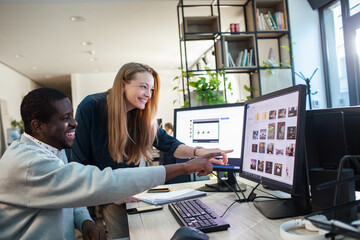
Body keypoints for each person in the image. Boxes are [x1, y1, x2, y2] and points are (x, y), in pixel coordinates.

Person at [0, 88, 228, 239]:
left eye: (72, 115)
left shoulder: (50, 150)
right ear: (37, 126)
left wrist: (85, 222)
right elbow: (97, 183)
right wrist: (185, 166)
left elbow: (68, 193)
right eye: (65, 118)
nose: (75, 123)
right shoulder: (29, 163)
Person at [71, 62, 231, 239]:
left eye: (152, 89)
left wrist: (201, 152)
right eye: (143, 87)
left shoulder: (142, 115)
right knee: (130, 232)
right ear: (123, 84)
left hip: (131, 189)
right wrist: (106, 199)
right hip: (103, 190)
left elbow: (169, 144)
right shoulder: (91, 107)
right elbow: (79, 165)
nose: (148, 94)